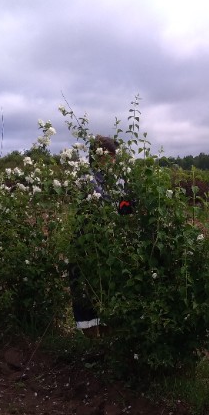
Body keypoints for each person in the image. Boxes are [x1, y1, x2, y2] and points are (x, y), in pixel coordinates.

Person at [69, 135, 132, 335]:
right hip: (87, 238)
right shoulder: (86, 177)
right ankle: (89, 334)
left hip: (111, 239)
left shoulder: (119, 178)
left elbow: (125, 205)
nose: (113, 161)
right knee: (84, 284)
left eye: (114, 157)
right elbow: (99, 202)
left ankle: (108, 334)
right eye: (109, 156)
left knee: (109, 284)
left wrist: (127, 208)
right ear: (97, 156)